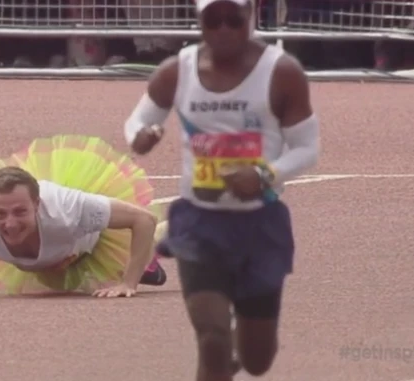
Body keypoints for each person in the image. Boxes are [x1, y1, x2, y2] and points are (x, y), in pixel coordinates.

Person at [123, 0, 320, 379]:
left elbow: (308, 148)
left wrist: (263, 175)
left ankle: (237, 349)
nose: (225, 29)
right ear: (199, 21)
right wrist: (141, 136)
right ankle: (218, 354)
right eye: (214, 20)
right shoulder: (176, 72)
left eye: (235, 19)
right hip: (201, 222)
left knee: (257, 360)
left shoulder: (282, 72)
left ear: (251, 17)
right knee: (211, 338)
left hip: (260, 225)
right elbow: (138, 120)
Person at [0, 135, 168, 299]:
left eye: (20, 212)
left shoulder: (69, 208)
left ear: (37, 204)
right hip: (49, 259)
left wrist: (128, 283)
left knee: (149, 242)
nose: (10, 224)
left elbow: (142, 219)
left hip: (92, 244)